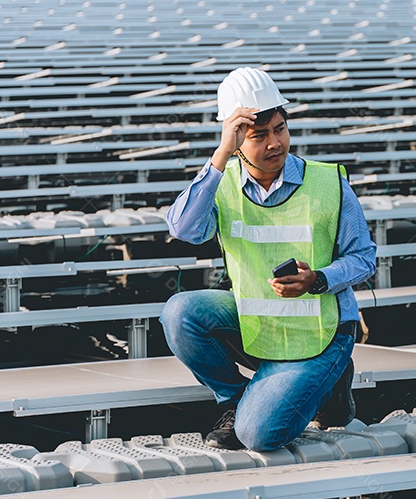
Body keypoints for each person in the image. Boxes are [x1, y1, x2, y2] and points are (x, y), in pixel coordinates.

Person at [161, 67, 376, 451]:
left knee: (259, 436)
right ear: (238, 139)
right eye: (259, 135)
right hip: (257, 320)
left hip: (322, 330)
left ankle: (333, 380)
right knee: (180, 311)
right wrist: (220, 157)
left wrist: (320, 279)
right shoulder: (222, 184)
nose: (275, 143)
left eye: (280, 129)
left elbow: (364, 258)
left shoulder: (328, 184)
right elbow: (183, 228)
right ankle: (233, 399)